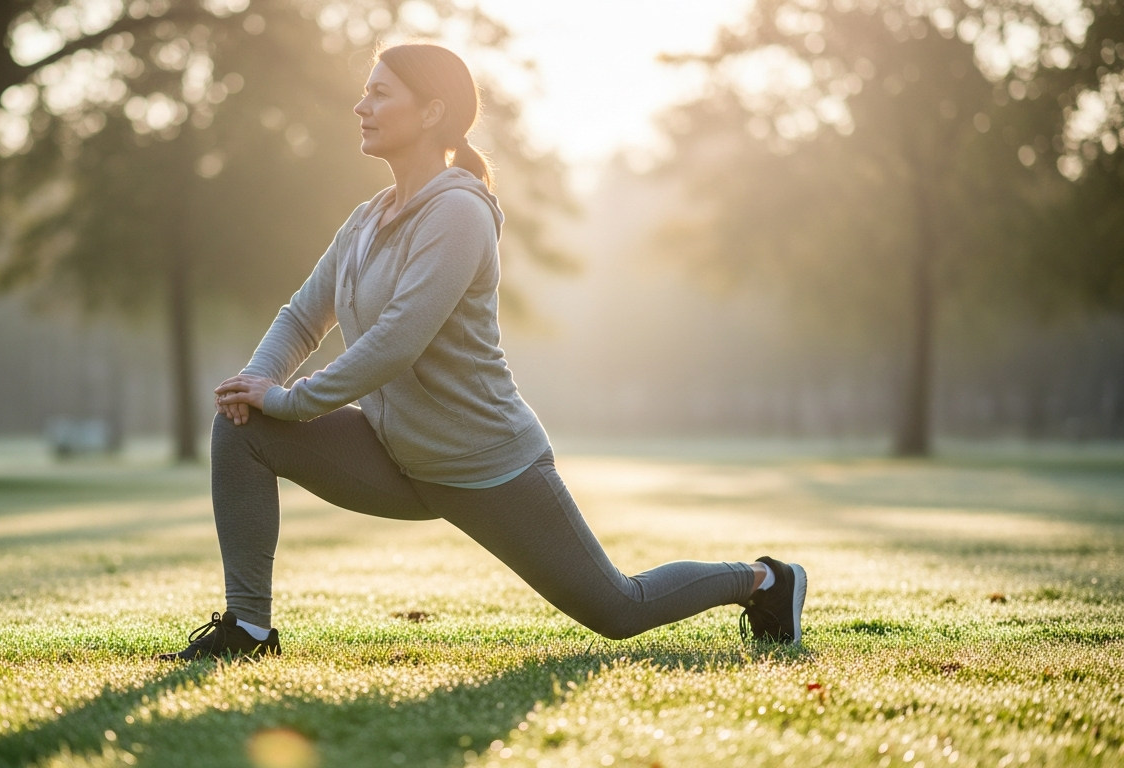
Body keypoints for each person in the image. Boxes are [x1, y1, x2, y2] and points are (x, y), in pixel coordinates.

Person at [157, 43, 806, 662]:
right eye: (364, 94)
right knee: (242, 428)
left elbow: (397, 342)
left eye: (380, 94)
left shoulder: (459, 213)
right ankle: (248, 627)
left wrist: (289, 400)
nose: (361, 107)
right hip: (394, 455)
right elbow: (303, 316)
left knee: (618, 610)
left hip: (486, 466)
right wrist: (258, 382)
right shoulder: (365, 220)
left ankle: (764, 581)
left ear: (432, 111)